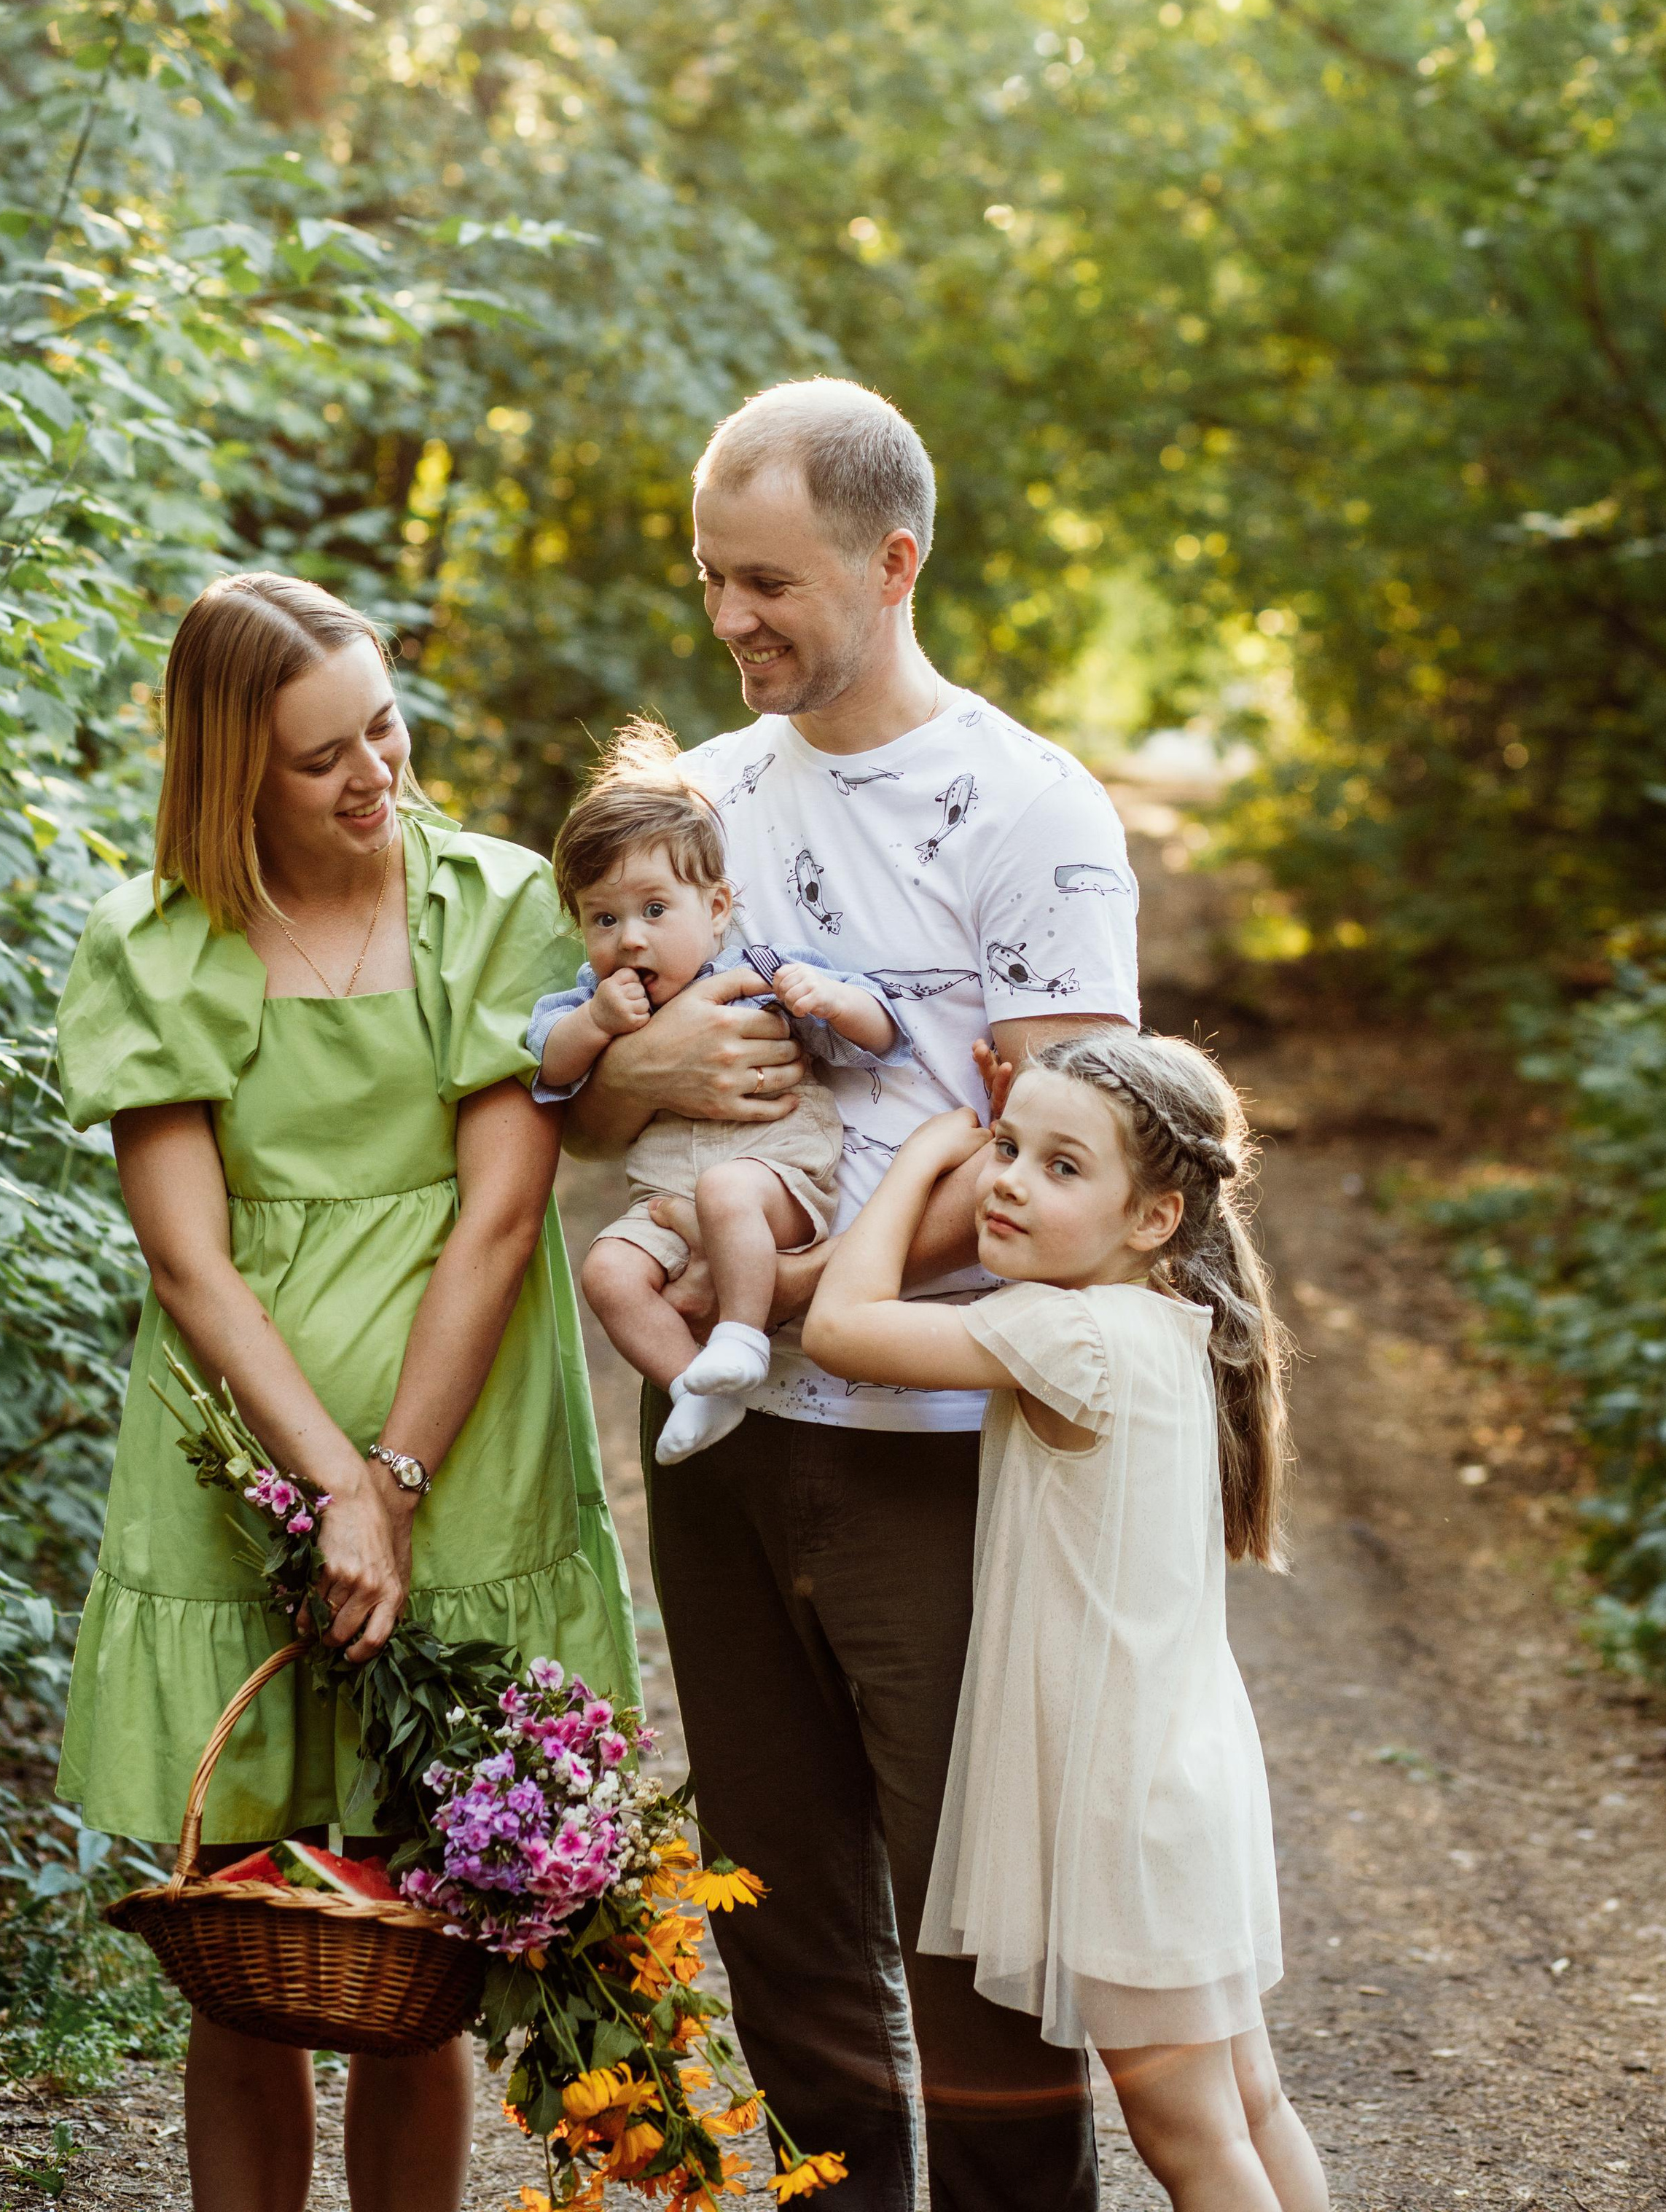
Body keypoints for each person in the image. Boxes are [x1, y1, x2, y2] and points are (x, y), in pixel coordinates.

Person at [566, 378, 1138, 2212]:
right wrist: (641, 1088)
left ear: (891, 563)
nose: (729, 616)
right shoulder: (690, 806)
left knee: (977, 1905)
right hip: (724, 1453)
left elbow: (1081, 1167)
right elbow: (570, 1095)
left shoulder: (1031, 810)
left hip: (943, 1448)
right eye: (710, 576)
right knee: (778, 1904)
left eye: (766, 581)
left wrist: (813, 1284)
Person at [55, 572, 635, 2212]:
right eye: (322, 759)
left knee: (412, 1968)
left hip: (461, 1471)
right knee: (245, 1963)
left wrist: (391, 1482)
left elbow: (500, 1217)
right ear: (234, 770)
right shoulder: (160, 947)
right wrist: (324, 1489)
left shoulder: (495, 908)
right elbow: (192, 1266)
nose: (374, 772)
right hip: (242, 1479)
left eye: (383, 725)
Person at [802, 1033, 1329, 2212]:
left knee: (1190, 2136)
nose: (1008, 1182)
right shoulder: (1164, 1328)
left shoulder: (1070, 1335)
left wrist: (918, 1159)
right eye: (1005, 1146)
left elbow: (841, 1329)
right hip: (1175, 1788)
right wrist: (987, 1151)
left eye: (1061, 1167)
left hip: (1122, 1812)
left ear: (1156, 1217)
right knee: (1245, 2103)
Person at [527, 719, 908, 1463]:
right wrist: (599, 1022)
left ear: (717, 909)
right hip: (665, 1200)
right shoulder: (591, 998)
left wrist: (827, 998)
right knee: (606, 1271)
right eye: (604, 919)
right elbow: (549, 1069)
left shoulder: (763, 968)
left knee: (728, 1190)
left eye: (655, 910)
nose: (630, 938)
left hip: (772, 1179)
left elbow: (883, 1032)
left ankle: (739, 1335)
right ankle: (694, 1391)